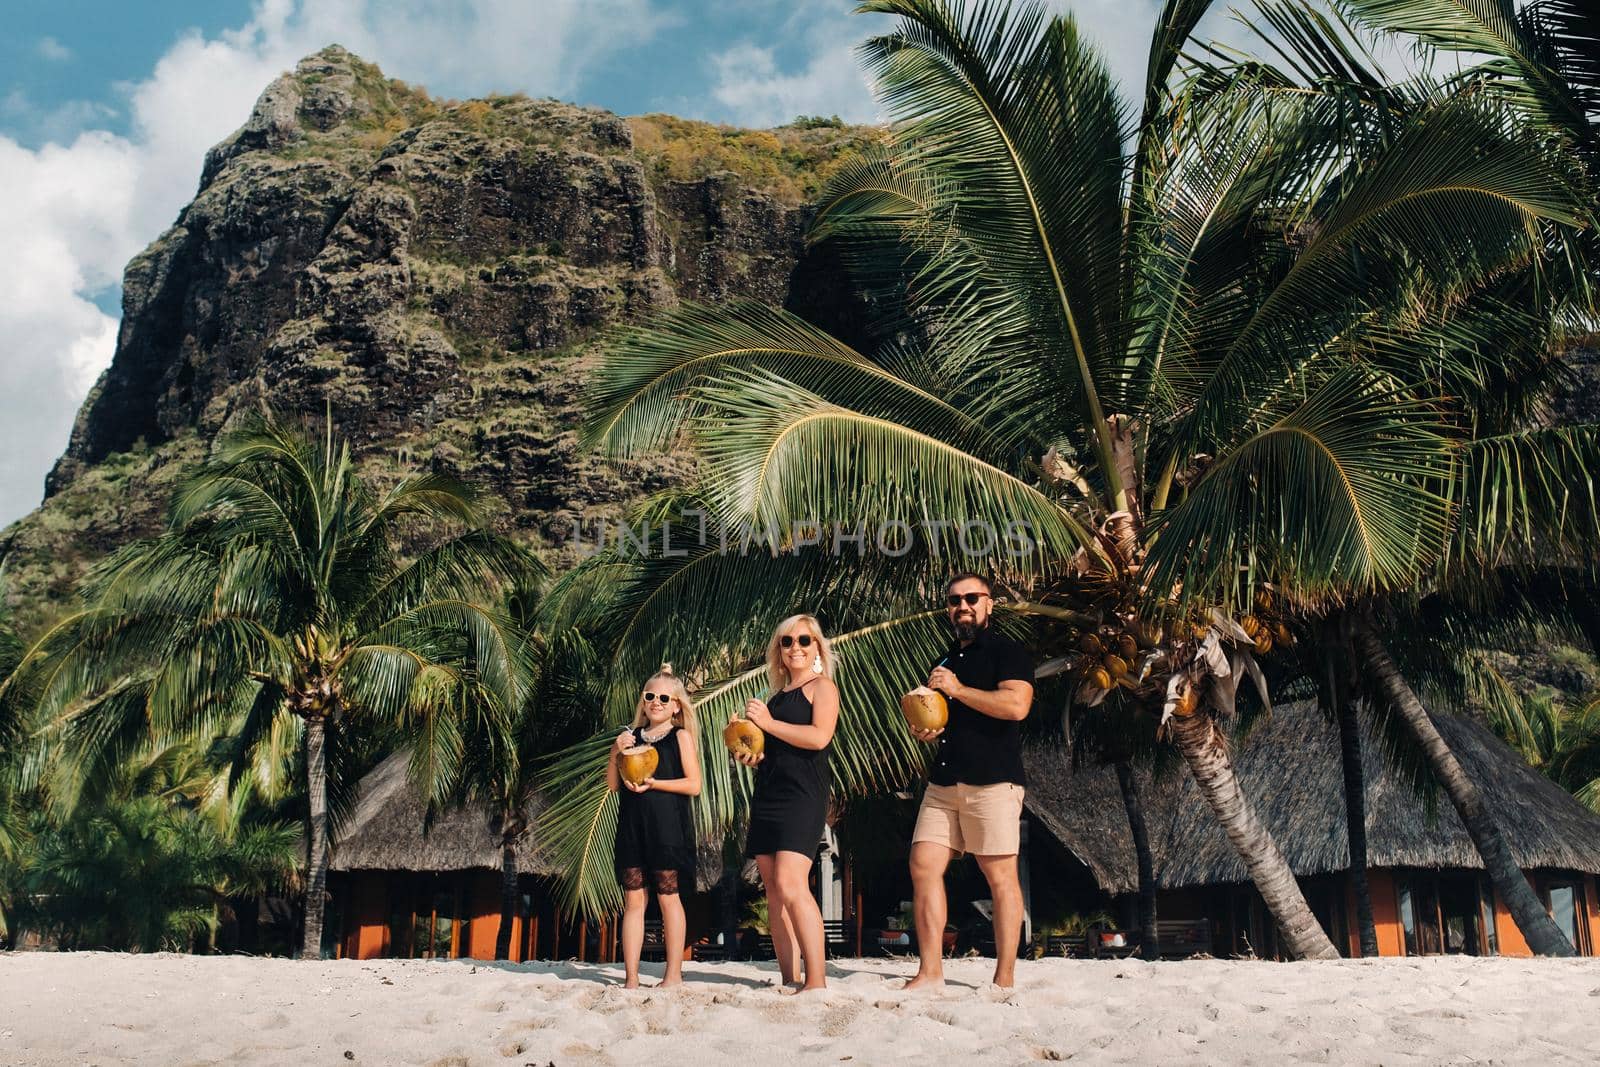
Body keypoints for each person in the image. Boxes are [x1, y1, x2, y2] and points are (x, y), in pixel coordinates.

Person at [903, 573, 1034, 989]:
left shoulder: (1007, 652)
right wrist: (926, 729)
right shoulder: (942, 663)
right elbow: (938, 718)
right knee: (923, 865)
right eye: (955, 600)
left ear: (989, 604)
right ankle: (930, 973)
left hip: (993, 781)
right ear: (948, 609)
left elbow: (1016, 706)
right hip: (944, 781)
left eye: (972, 598)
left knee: (999, 876)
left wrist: (958, 690)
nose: (964, 606)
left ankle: (1004, 978)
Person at [730, 614, 840, 992]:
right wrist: (746, 749)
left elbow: (819, 737)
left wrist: (768, 723)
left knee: (793, 884)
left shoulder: (822, 687)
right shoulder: (776, 698)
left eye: (804, 640)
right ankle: (789, 979)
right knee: (774, 891)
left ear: (817, 648)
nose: (795, 647)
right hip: (768, 794)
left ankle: (817, 982)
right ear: (778, 650)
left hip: (802, 796)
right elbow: (769, 750)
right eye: (787, 641)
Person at [607, 664, 702, 988]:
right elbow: (613, 785)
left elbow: (694, 785)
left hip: (668, 829)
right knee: (634, 902)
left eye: (664, 697)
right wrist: (614, 753)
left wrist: (656, 784)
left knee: (668, 898)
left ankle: (673, 975)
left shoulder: (680, 736)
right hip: (633, 827)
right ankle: (631, 978)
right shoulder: (629, 737)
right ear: (642, 700)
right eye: (650, 695)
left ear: (676, 705)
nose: (656, 701)